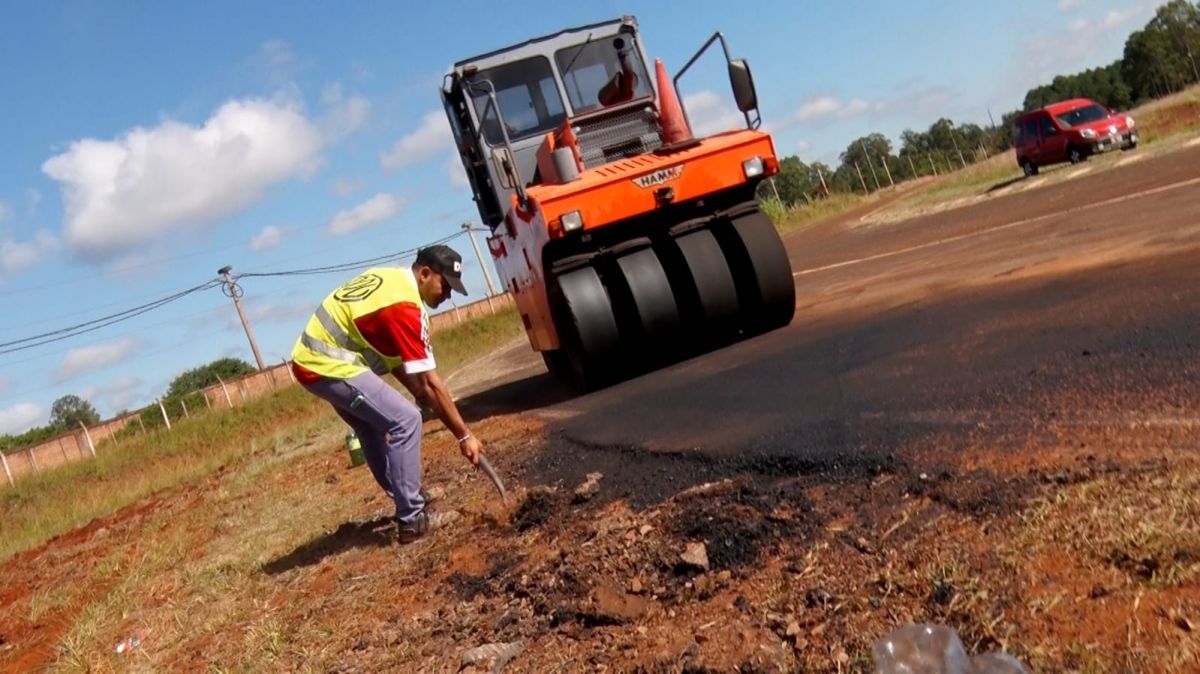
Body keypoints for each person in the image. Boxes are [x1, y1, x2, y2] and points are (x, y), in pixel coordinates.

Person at [290, 245, 483, 543]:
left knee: (370, 426)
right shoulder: (405, 307)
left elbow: (392, 360)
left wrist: (419, 394)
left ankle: (406, 495)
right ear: (425, 273)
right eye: (445, 286)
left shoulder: (390, 281)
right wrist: (463, 435)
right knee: (405, 421)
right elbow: (431, 383)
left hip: (310, 362)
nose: (448, 295)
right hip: (327, 364)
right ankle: (412, 519)